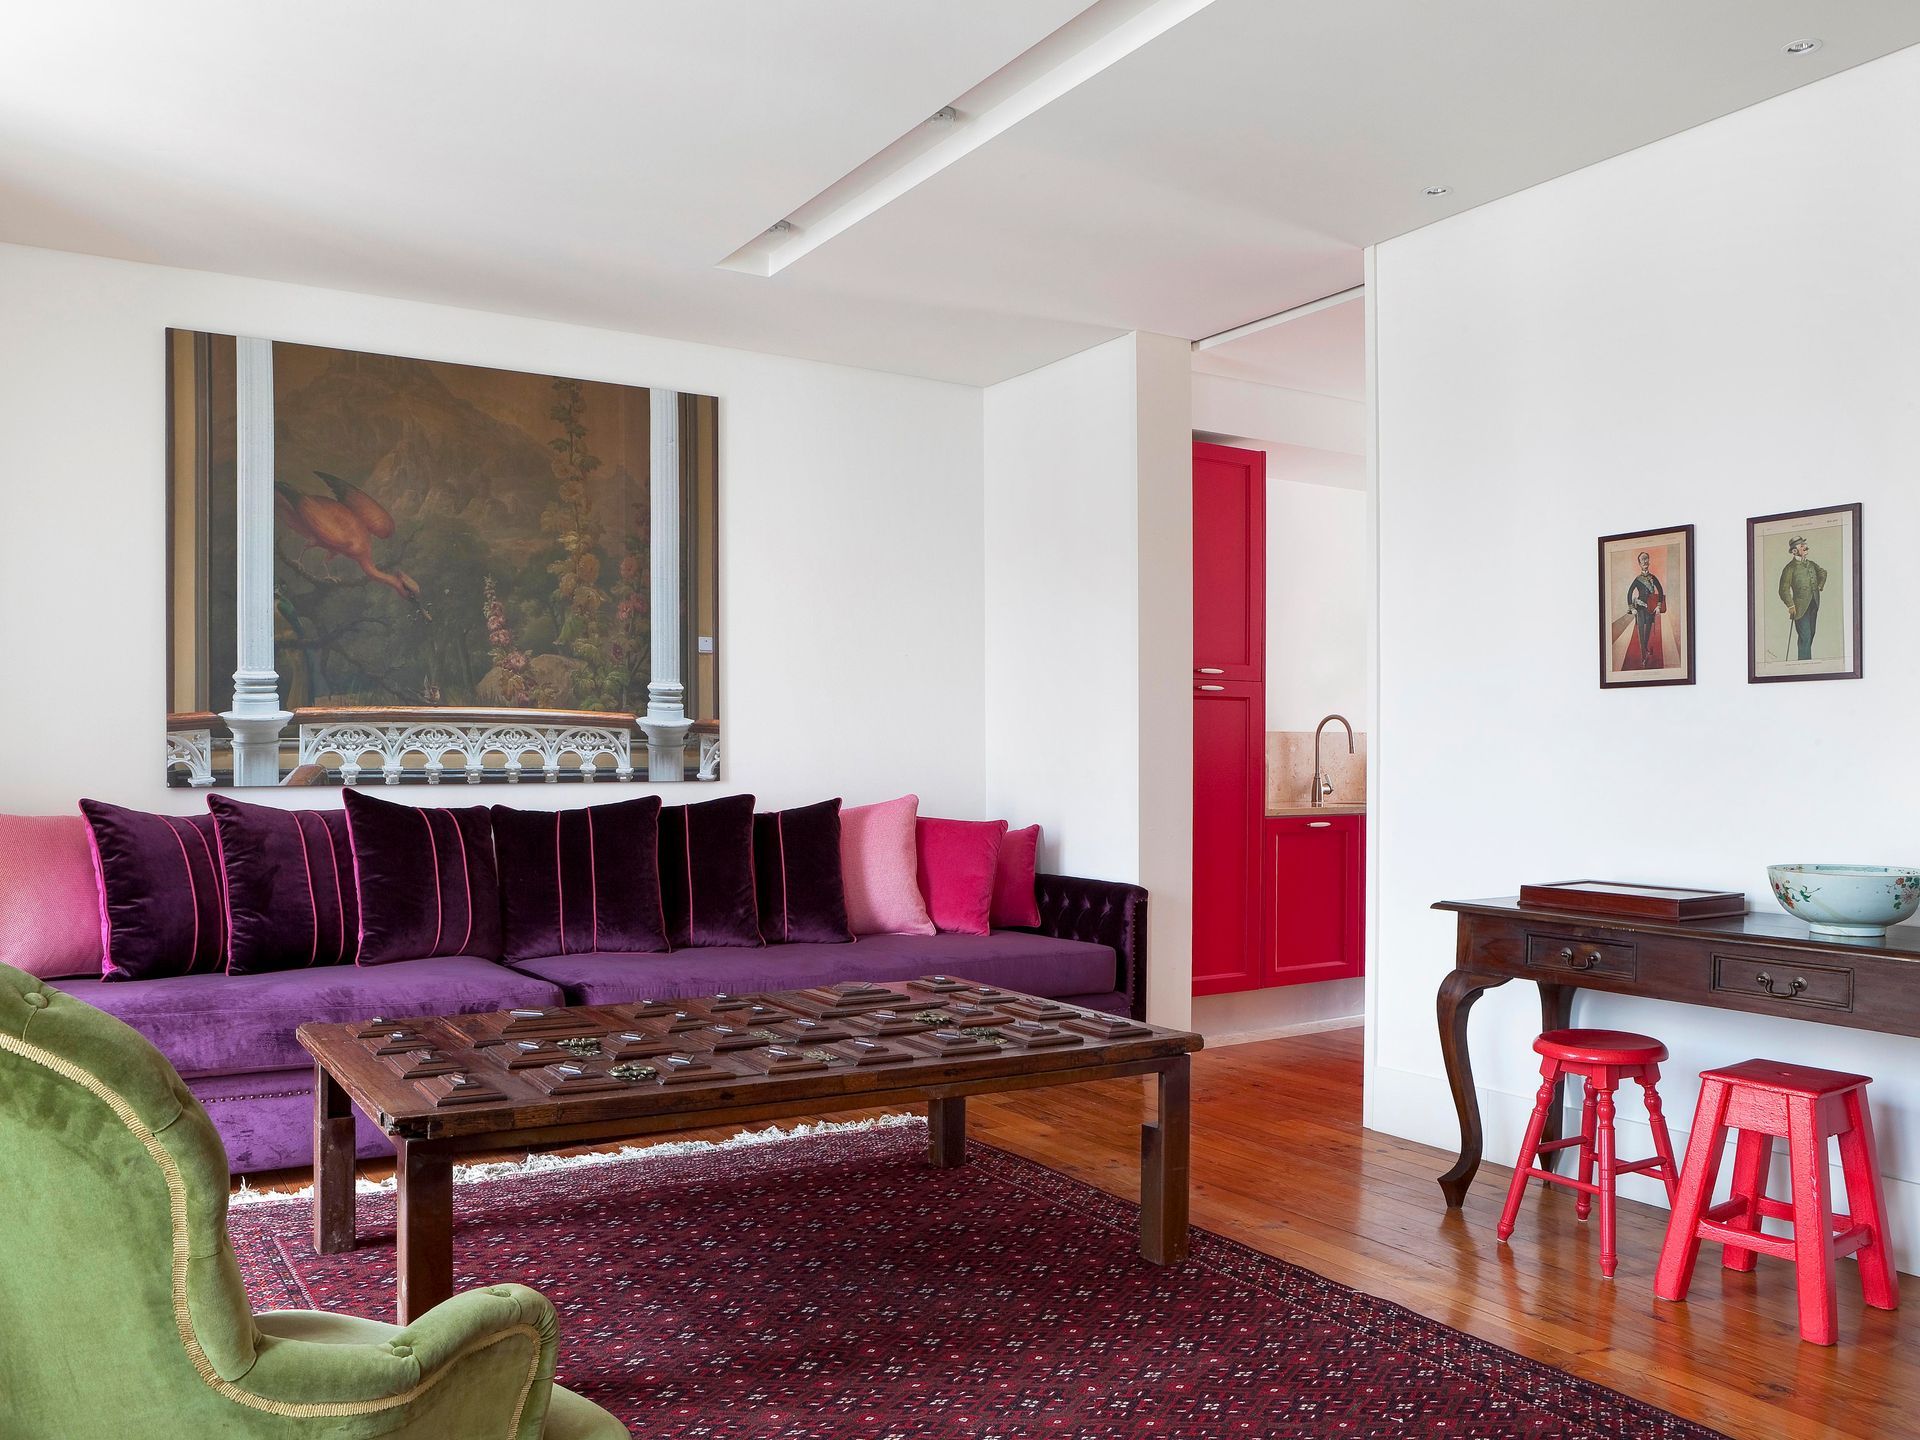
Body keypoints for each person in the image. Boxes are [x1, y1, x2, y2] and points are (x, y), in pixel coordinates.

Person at [1778, 535, 1827, 661]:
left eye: (1805, 545)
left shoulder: (1811, 564)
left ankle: (1804, 661)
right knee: (1805, 636)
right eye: (1802, 546)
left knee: (1811, 634)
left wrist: (1820, 585)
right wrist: (1790, 605)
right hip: (1800, 608)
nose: (1805, 547)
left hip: (1814, 604)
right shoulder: (1789, 568)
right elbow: (1783, 589)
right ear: (1794, 551)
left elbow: (1823, 572)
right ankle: (1804, 664)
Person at [1624, 550, 1665, 669]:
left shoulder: (1653, 577)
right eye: (1642, 559)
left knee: (1647, 632)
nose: (1645, 561)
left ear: (1649, 561)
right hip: (1640, 609)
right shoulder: (1637, 579)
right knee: (1641, 633)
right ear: (1639, 563)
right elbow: (1629, 593)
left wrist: (1658, 606)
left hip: (1651, 609)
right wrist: (1632, 608)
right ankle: (1643, 657)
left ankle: (1646, 650)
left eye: (1646, 558)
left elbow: (1660, 591)